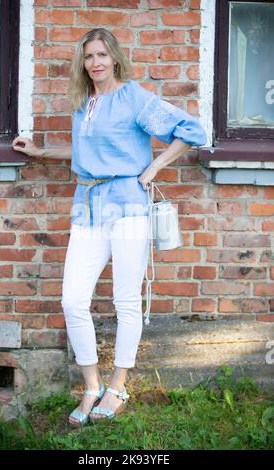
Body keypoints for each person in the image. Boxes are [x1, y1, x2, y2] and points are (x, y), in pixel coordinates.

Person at [12, 27, 206, 427]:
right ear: (82, 64)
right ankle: (91, 386)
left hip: (128, 208)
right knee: (72, 299)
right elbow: (85, 152)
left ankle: (118, 385)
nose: (95, 63)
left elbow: (192, 131)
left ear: (114, 57)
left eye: (101, 55)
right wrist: (41, 151)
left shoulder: (133, 98)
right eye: (88, 57)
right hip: (87, 207)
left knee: (125, 300)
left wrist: (153, 166)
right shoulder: (85, 103)